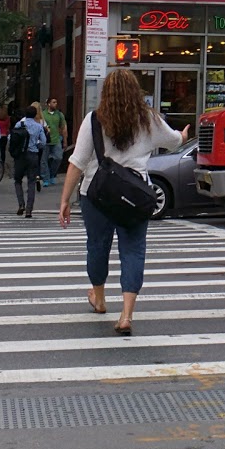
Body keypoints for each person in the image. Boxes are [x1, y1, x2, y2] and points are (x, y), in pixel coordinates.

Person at [60, 69, 191, 336]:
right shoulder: (149, 119)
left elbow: (77, 161)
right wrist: (184, 136)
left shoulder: (94, 120)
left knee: (97, 247)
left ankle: (99, 299)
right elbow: (174, 141)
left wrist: (64, 199)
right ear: (135, 92)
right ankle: (127, 314)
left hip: (95, 195)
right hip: (135, 198)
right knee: (133, 250)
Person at [12, 106, 47, 218]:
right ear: (36, 114)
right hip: (33, 155)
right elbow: (43, 142)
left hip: (20, 156)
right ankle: (29, 210)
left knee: (18, 180)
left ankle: (21, 204)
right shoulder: (38, 126)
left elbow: (11, 138)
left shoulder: (19, 125)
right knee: (31, 181)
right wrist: (37, 145)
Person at [40, 97, 67, 190]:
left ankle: (52, 174)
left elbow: (63, 127)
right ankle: (46, 178)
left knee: (58, 157)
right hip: (45, 140)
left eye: (56, 102)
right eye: (53, 102)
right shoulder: (43, 114)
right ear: (48, 104)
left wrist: (65, 140)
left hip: (56, 140)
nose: (55, 104)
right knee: (44, 160)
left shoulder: (59, 115)